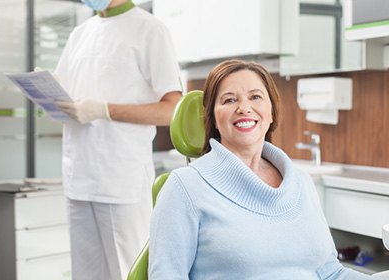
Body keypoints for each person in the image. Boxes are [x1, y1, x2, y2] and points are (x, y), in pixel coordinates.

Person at [148, 59, 384, 279]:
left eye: (256, 97)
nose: (244, 108)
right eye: (229, 100)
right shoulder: (184, 187)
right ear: (212, 117)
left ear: (271, 112)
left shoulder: (300, 182)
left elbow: (330, 272)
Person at [53, 0, 182, 279]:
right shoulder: (80, 33)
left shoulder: (150, 29)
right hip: (78, 177)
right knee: (85, 274)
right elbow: (64, 93)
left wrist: (105, 110)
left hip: (120, 181)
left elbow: (172, 109)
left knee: (128, 272)